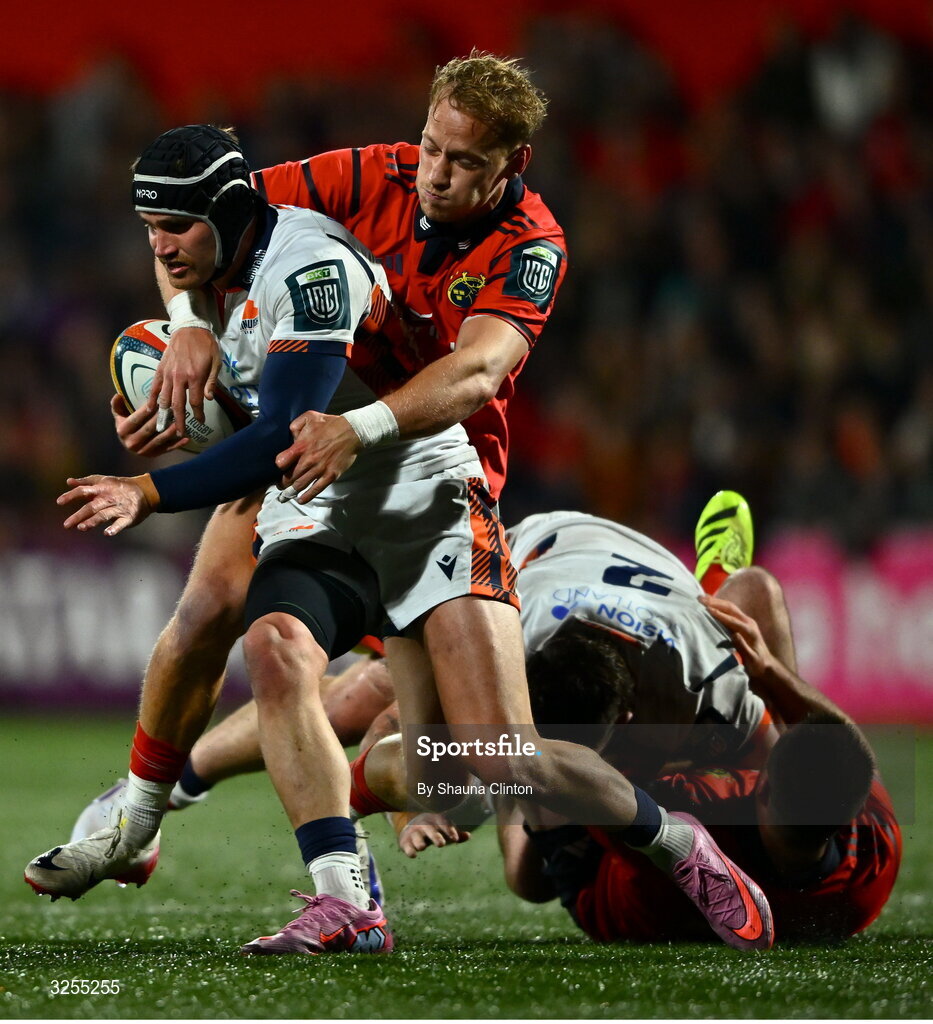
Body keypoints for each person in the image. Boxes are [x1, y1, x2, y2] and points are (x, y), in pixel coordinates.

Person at [25, 131, 775, 956]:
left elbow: (280, 430)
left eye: (176, 227)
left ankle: (678, 845)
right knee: (271, 644)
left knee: (485, 765)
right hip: (319, 504)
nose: (161, 246)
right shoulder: (220, 248)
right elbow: (268, 419)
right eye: (149, 227)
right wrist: (182, 324)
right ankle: (334, 892)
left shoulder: (312, 270)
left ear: (229, 212)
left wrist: (146, 489)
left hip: (423, 496)